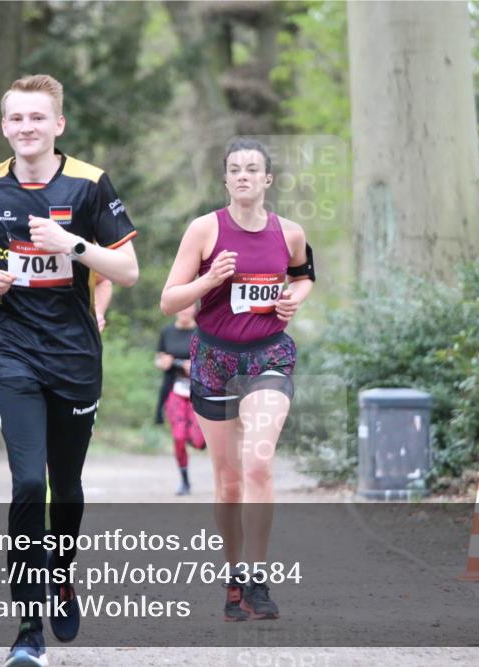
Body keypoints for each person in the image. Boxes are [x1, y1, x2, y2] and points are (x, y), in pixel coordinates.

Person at [0, 74, 137, 666]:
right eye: (16, 119)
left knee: (68, 486)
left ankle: (62, 573)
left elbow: (128, 270)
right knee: (29, 483)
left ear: (58, 125)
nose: (26, 128)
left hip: (76, 354)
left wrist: (71, 243)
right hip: (14, 348)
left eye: (38, 118)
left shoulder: (88, 184)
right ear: (4, 126)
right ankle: (28, 627)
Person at [160, 138, 314, 622]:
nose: (244, 175)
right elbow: (168, 300)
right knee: (227, 482)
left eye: (253, 169)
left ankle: (258, 577)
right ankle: (233, 577)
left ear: (268, 180)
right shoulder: (204, 230)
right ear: (225, 180)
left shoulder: (289, 233)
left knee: (259, 463)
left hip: (268, 354)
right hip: (214, 359)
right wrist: (209, 281)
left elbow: (305, 275)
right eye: (235, 169)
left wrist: (294, 299)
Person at [154, 304, 205, 495]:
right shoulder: (167, 332)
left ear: (194, 309)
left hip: (198, 391)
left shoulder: (202, 332)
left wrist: (196, 366)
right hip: (174, 391)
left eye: (188, 307)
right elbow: (160, 358)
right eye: (181, 307)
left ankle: (201, 438)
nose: (183, 311)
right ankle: (185, 481)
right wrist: (163, 363)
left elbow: (214, 360)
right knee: (178, 437)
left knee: (198, 441)